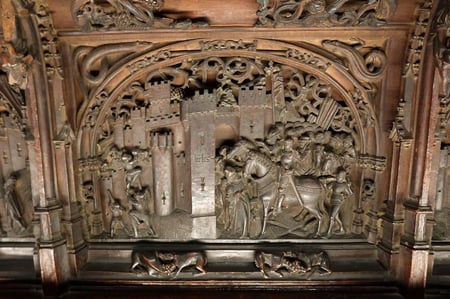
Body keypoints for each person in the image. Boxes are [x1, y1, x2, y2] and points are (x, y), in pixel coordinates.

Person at [327, 169, 352, 237]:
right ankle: (342, 229)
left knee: (332, 216)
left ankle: (329, 233)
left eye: (340, 177)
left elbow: (350, 193)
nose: (338, 178)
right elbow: (326, 187)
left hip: (338, 202)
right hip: (332, 200)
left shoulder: (344, 185)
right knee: (336, 217)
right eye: (337, 176)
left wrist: (348, 188)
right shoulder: (334, 183)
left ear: (343, 178)